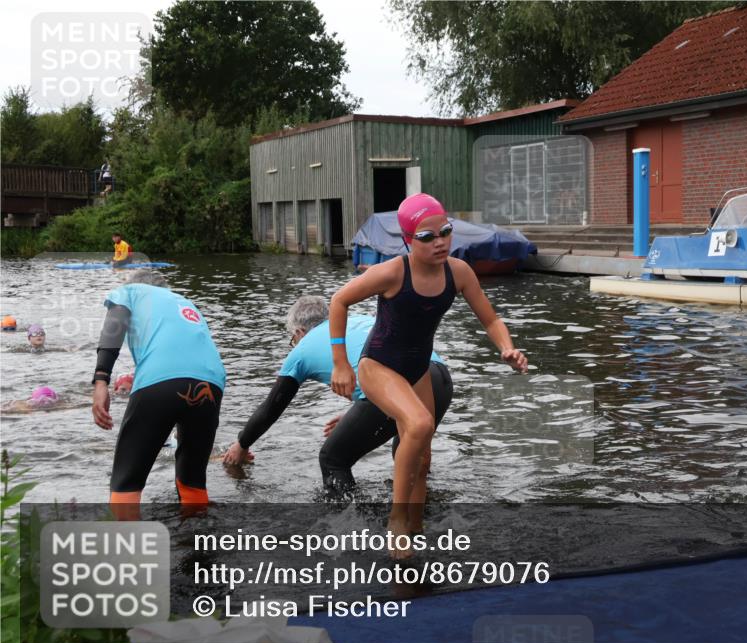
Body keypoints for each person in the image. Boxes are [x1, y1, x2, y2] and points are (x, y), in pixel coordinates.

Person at [328, 192, 527, 557]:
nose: (440, 242)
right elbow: (339, 301)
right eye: (427, 236)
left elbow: (490, 319)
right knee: (419, 424)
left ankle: (415, 530)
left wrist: (507, 348)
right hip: (378, 366)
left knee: (422, 459)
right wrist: (340, 363)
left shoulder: (459, 272)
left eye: (445, 232)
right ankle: (396, 522)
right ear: (408, 240)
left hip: (417, 369)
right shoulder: (391, 272)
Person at [221, 296, 453, 495]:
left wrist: (242, 444)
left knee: (333, 459)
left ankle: (346, 524)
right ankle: (423, 518)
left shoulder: (301, 350)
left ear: (299, 332)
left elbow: (271, 408)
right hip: (439, 378)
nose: (295, 344)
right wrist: (358, 417)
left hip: (398, 386)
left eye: (293, 339)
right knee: (409, 461)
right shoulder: (356, 321)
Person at [91, 269, 226, 507]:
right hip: (212, 381)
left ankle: (123, 529)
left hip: (161, 376)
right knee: (192, 481)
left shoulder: (130, 292)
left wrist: (101, 380)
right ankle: (196, 527)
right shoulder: (184, 302)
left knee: (126, 481)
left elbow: (114, 327)